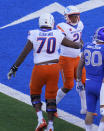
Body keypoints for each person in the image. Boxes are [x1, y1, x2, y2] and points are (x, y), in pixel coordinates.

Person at [7, 13, 82, 131]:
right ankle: (51, 125)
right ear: (51, 22)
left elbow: (24, 53)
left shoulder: (34, 34)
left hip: (39, 68)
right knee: (51, 97)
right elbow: (73, 45)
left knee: (35, 93)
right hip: (54, 68)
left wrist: (14, 67)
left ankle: (40, 119)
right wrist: (80, 44)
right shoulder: (57, 33)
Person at [56, 5, 87, 114]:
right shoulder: (61, 26)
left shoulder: (80, 24)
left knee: (83, 81)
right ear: (67, 17)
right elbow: (62, 40)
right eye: (72, 16)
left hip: (77, 57)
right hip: (66, 59)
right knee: (68, 85)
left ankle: (84, 108)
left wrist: (81, 42)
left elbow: (78, 36)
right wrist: (75, 45)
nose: (75, 18)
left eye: (76, 16)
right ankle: (52, 104)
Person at [77, 26, 104, 131]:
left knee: (89, 111)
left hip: (89, 83)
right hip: (101, 85)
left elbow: (80, 66)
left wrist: (79, 80)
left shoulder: (87, 46)